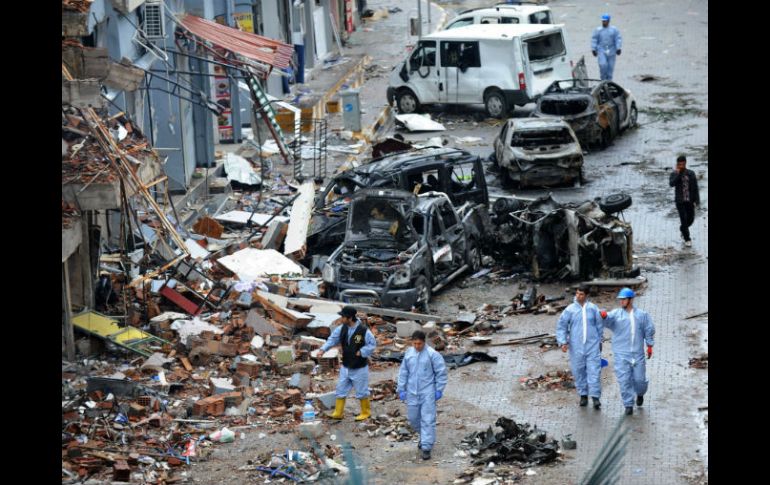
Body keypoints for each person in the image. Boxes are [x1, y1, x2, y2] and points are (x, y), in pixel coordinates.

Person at [602, 288, 655, 416]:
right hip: (621, 354)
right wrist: (603, 316)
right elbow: (607, 319)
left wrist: (649, 345)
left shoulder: (642, 315)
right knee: (624, 380)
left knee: (640, 380)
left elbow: (649, 329)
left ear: (631, 300)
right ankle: (628, 405)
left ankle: (640, 393)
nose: (621, 302)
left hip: (637, 354)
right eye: (620, 300)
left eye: (624, 299)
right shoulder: (616, 314)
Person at [397, 330, 448, 460]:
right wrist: (401, 389)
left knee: (428, 419)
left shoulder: (432, 355)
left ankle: (426, 446)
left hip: (427, 392)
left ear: (424, 342)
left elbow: (441, 373)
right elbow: (403, 371)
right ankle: (424, 436)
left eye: (419, 343)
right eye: (414, 343)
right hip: (412, 392)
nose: (417, 346)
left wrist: (439, 389)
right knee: (413, 419)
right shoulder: (409, 353)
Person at [319, 306, 377, 421]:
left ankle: (365, 412)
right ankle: (338, 412)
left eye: (343, 317)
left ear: (350, 318)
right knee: (340, 389)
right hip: (346, 366)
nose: (341, 318)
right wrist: (323, 349)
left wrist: (362, 352)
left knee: (361, 391)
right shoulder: (342, 328)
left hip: (359, 367)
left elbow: (372, 344)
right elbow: (332, 339)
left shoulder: (363, 330)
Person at [556, 285, 606, 410]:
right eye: (577, 294)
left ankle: (595, 397)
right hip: (576, 346)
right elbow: (562, 326)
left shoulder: (593, 309)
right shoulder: (570, 310)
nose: (578, 296)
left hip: (592, 346)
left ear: (586, 295)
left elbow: (599, 325)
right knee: (578, 371)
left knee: (594, 371)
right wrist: (563, 342)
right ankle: (583, 395)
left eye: (581, 294)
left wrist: (600, 340)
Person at [668, 155, 700, 247]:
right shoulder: (674, 173)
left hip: (689, 201)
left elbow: (695, 188)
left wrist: (696, 200)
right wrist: (679, 174)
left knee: (691, 219)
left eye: (682, 164)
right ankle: (687, 238)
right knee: (684, 219)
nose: (681, 166)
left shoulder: (691, 173)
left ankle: (682, 229)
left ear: (685, 163)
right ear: (677, 164)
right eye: (679, 164)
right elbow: (671, 184)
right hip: (680, 201)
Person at [591, 14, 622, 81]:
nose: (604, 22)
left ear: (608, 21)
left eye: (605, 21)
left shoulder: (614, 30)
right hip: (601, 50)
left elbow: (618, 39)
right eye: (603, 21)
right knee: (603, 65)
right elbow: (594, 39)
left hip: (611, 50)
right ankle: (603, 80)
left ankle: (609, 81)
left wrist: (618, 48)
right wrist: (593, 49)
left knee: (610, 67)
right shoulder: (598, 30)